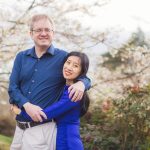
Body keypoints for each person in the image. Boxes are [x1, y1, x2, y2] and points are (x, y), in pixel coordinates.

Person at [8, 14, 91, 150]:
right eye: (39, 30)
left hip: (42, 130)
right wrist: (26, 105)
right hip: (19, 128)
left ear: (53, 33)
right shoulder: (21, 57)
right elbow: (13, 87)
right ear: (31, 33)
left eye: (47, 30)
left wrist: (82, 84)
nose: (43, 33)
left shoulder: (63, 58)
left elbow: (83, 74)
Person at [12, 51, 90, 150]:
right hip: (60, 139)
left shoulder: (73, 93)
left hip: (68, 143)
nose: (69, 67)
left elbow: (45, 115)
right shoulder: (65, 88)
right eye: (68, 62)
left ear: (81, 71)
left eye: (75, 66)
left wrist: (19, 110)